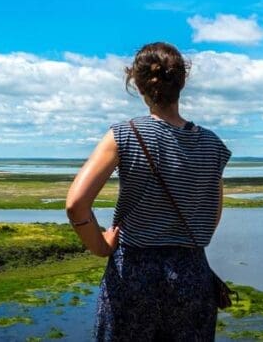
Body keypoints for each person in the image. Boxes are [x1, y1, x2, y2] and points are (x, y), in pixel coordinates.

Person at [65, 41, 232, 341]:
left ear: (138, 85)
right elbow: (212, 214)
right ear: (181, 82)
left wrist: (101, 246)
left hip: (133, 274)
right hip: (193, 275)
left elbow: (76, 204)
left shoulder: (124, 135)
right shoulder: (213, 145)